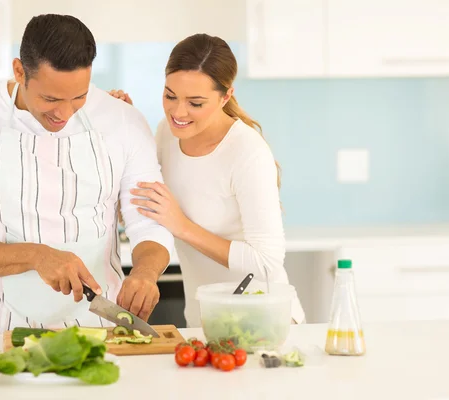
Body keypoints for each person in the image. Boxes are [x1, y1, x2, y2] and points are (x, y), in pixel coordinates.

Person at [0, 14, 174, 335]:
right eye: (50, 99)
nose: (65, 114)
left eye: (78, 98)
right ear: (19, 71)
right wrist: (35, 256)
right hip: (0, 328)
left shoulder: (123, 120)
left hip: (102, 327)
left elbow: (149, 222)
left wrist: (146, 272)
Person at [109, 33, 305, 327]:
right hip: (206, 321)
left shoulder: (246, 152)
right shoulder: (166, 133)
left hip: (262, 322)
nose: (178, 112)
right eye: (170, 95)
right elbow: (138, 208)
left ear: (225, 96)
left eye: (195, 103)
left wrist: (182, 226)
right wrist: (120, 126)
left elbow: (266, 263)